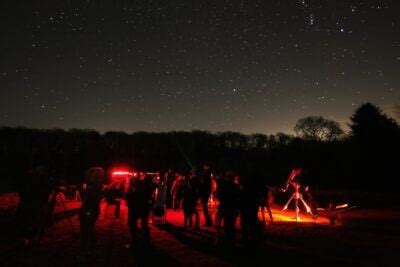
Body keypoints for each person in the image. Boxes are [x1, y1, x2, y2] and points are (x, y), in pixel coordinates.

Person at [79, 167, 105, 255]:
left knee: (87, 227)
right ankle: (91, 244)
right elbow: (85, 198)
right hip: (89, 209)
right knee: (88, 227)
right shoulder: (93, 185)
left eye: (91, 174)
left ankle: (87, 247)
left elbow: (92, 199)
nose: (89, 176)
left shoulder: (96, 186)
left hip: (90, 209)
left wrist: (86, 212)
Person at [126, 173, 156, 247]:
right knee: (144, 225)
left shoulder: (139, 186)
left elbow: (132, 197)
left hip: (136, 208)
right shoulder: (148, 187)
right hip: (143, 208)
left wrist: (129, 196)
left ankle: (136, 241)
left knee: (132, 224)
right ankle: (145, 241)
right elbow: (150, 199)